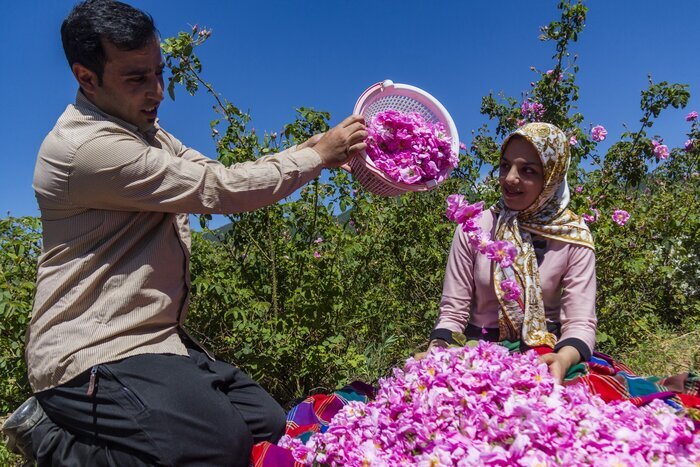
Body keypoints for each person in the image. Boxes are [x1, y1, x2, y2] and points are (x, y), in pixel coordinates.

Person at [1, 0, 366, 465]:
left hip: (156, 341)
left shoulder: (147, 132)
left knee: (267, 424)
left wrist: (312, 147)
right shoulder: (87, 149)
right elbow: (217, 189)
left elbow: (218, 171)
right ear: (86, 77)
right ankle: (48, 438)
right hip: (92, 348)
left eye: (160, 72)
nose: (157, 92)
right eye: (137, 79)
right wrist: (318, 157)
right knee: (216, 448)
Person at [418, 122, 597, 383]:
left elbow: (579, 322)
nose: (510, 178)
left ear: (551, 178)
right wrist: (439, 349)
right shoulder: (475, 227)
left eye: (527, 170)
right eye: (505, 165)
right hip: (479, 353)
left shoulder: (572, 235)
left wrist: (563, 358)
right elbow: (453, 311)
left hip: (546, 353)